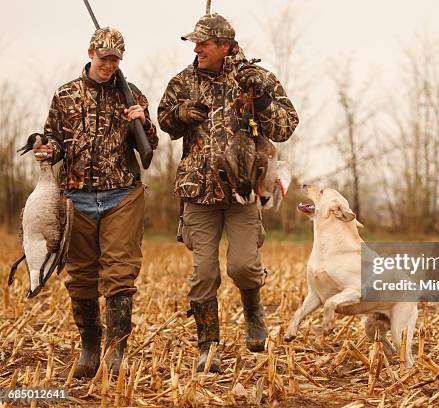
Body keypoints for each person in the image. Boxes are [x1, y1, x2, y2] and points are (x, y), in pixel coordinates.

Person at [158, 13, 299, 372]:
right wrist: (181, 112)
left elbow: (286, 126)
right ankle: (208, 345)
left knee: (243, 267)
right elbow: (163, 121)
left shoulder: (256, 79)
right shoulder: (183, 81)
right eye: (194, 43)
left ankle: (254, 316)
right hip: (198, 193)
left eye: (203, 43)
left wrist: (263, 100)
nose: (197, 49)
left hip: (243, 193)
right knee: (204, 273)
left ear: (225, 45)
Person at [32, 27, 158, 378]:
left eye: (115, 59)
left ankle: (116, 352)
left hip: (122, 196)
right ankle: (90, 346)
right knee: (82, 278)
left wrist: (142, 122)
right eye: (104, 58)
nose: (109, 65)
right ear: (90, 53)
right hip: (76, 197)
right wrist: (47, 149)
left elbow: (151, 145)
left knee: (120, 275)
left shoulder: (132, 95)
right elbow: (55, 139)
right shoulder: (66, 94)